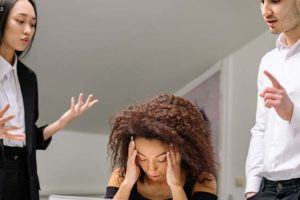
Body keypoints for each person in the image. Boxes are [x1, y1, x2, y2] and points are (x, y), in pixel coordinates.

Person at [0, 0, 98, 199]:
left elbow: (28, 139)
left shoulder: (28, 78)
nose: (28, 30)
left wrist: (63, 121)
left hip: (24, 179)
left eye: (33, 24)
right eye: (20, 21)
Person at [105, 94, 217, 200]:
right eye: (142, 158)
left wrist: (176, 186)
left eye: (161, 159)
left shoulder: (203, 181)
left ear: (182, 151)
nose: (151, 168)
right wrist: (127, 184)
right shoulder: (120, 177)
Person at [245, 0, 300, 199]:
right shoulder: (269, 60)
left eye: (275, 1)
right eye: (262, 1)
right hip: (266, 190)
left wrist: (292, 112)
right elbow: (261, 128)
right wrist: (252, 187)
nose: (265, 11)